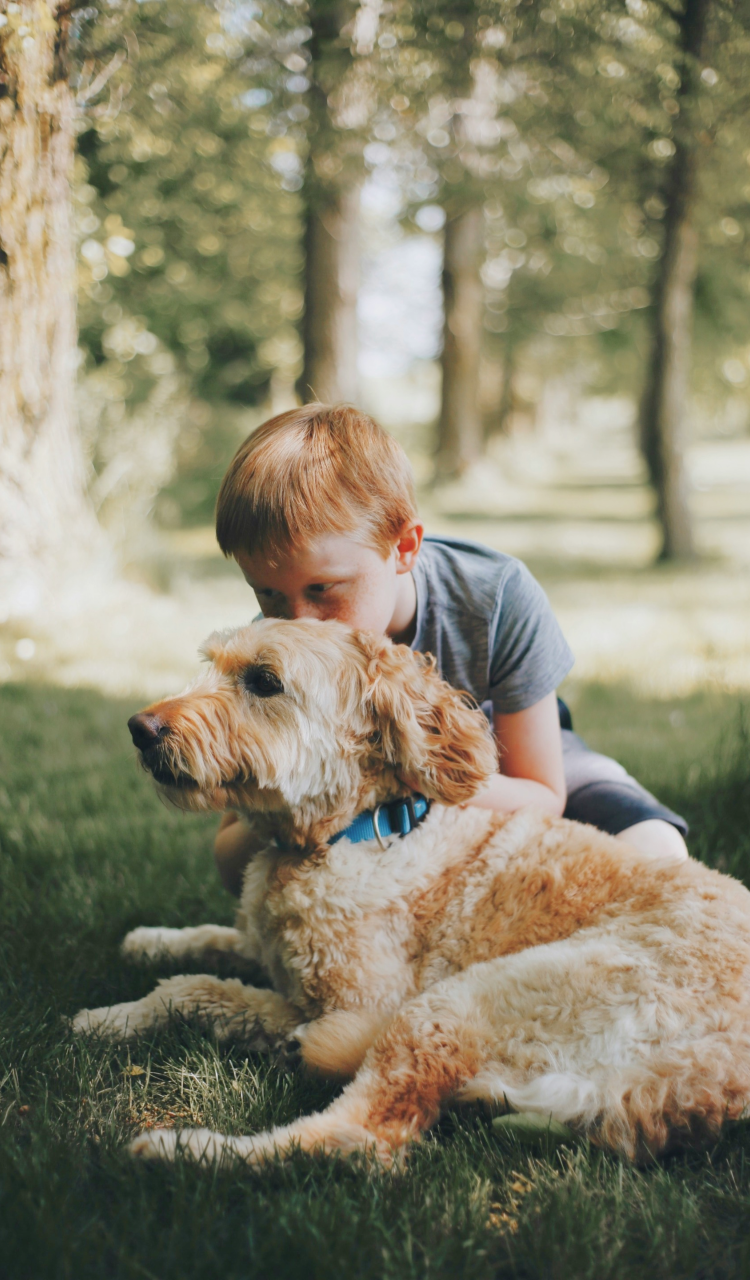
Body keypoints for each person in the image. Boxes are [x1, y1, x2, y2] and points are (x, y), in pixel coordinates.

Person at [212, 402, 688, 896]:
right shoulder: (272, 660)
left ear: (404, 548)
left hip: (506, 756)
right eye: (267, 594)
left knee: (658, 849)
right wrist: (288, 800)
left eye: (323, 589)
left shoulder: (494, 598)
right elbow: (230, 862)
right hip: (353, 802)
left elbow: (543, 794)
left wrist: (416, 775)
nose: (297, 623)